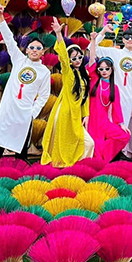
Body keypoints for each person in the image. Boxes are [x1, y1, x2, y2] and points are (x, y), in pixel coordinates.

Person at [0, 5, 51, 163]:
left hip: (25, 113)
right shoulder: (19, 60)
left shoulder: (44, 72)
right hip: (9, 109)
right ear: (27, 50)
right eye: (32, 47)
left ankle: (19, 174)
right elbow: (9, 41)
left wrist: (33, 112)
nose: (35, 50)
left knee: (21, 151)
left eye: (38, 48)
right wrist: (1, 20)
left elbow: (44, 96)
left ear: (43, 52)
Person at [40, 17, 95, 166]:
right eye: (74, 58)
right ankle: (64, 167)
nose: (77, 60)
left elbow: (85, 98)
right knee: (63, 142)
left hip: (76, 115)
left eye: (79, 57)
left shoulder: (84, 76)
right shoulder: (68, 73)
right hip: (64, 113)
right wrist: (58, 34)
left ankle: (80, 167)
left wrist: (86, 115)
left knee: (88, 143)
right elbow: (63, 57)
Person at [86, 32, 131, 162]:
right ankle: (97, 163)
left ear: (111, 70)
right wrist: (94, 40)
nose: (104, 71)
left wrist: (121, 124)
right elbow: (92, 58)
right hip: (92, 120)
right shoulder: (94, 80)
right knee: (95, 145)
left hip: (104, 122)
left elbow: (116, 108)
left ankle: (106, 155)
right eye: (101, 69)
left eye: (107, 69)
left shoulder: (114, 88)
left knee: (124, 135)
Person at [94, 25, 132, 128]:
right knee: (107, 126)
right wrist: (103, 31)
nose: (130, 40)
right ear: (122, 39)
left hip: (127, 99)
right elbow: (92, 48)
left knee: (122, 127)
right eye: (127, 37)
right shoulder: (114, 52)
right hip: (110, 95)